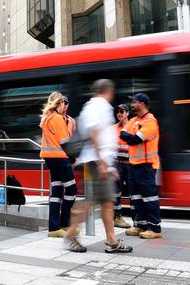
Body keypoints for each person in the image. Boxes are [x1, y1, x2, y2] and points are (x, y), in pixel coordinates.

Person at [64, 79, 132, 254]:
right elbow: (94, 133)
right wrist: (103, 163)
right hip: (97, 161)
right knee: (95, 201)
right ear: (107, 91)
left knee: (105, 202)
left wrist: (108, 164)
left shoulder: (92, 106)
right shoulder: (99, 106)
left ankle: (111, 240)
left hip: (98, 161)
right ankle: (72, 235)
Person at [120, 93, 162, 239]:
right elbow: (123, 134)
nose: (132, 105)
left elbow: (134, 139)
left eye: (135, 102)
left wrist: (131, 137)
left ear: (143, 104)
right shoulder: (133, 120)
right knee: (136, 197)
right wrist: (130, 136)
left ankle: (155, 228)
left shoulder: (150, 121)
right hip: (133, 165)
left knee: (149, 197)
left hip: (146, 165)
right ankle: (141, 225)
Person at [40, 92, 76, 238]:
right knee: (72, 189)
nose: (64, 106)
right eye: (63, 103)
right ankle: (64, 223)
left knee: (57, 191)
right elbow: (65, 142)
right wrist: (73, 159)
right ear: (59, 103)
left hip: (50, 159)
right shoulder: (57, 118)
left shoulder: (47, 118)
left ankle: (54, 227)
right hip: (60, 158)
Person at [113, 104, 132, 228]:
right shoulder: (113, 128)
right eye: (117, 112)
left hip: (130, 164)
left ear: (127, 113)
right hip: (117, 164)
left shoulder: (133, 126)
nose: (119, 114)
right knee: (116, 192)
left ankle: (137, 219)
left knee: (133, 192)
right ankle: (117, 217)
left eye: (122, 111)